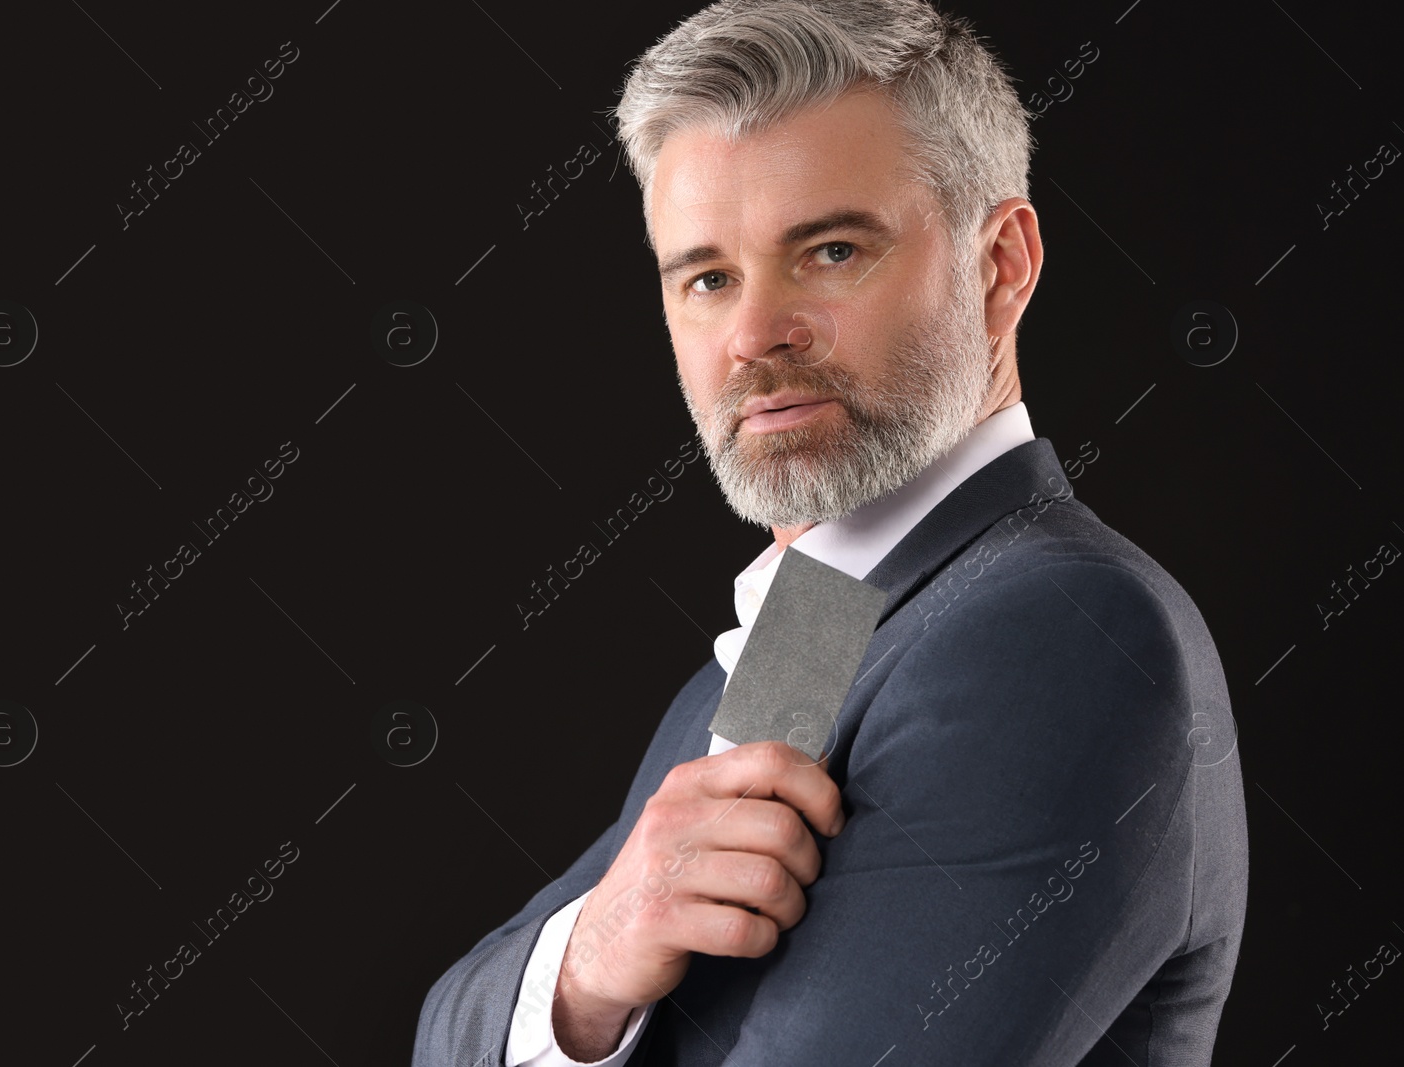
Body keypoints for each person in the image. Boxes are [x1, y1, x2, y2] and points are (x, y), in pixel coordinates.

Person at [413, 1, 1248, 1064]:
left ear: (999, 267)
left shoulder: (1061, 631)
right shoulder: (813, 619)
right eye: (709, 276)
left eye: (832, 249)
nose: (756, 334)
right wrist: (586, 963)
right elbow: (448, 1026)